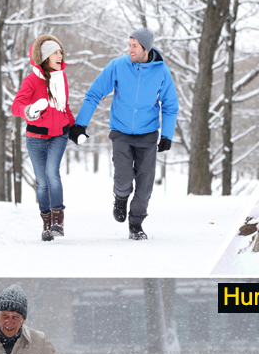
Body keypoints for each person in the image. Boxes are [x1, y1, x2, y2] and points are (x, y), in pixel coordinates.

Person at [71, 28, 179, 241]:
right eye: (129, 44)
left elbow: (170, 105)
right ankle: (120, 198)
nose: (129, 49)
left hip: (148, 134)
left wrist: (167, 135)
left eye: (134, 46)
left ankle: (136, 224)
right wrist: (80, 125)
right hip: (120, 132)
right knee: (123, 178)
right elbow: (94, 93)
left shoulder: (161, 71)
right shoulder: (118, 66)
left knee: (145, 182)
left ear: (145, 48)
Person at [10, 34, 75, 242]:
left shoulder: (61, 77)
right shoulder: (31, 81)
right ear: (46, 57)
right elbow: (16, 106)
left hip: (59, 135)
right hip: (36, 137)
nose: (60, 55)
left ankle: (58, 220)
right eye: (56, 52)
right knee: (42, 183)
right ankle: (46, 223)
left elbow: (64, 107)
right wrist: (28, 111)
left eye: (60, 51)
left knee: (52, 173)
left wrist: (75, 127)